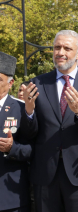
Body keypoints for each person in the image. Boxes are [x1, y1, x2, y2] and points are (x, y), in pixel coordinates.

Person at [23, 30, 78, 212]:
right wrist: (28, 111)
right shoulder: (37, 83)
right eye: (57, 47)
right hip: (45, 173)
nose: (60, 52)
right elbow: (29, 133)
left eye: (67, 48)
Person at [0, 52, 32, 212]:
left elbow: (32, 149)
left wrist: (11, 148)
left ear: (11, 82)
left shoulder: (21, 109)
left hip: (10, 195)